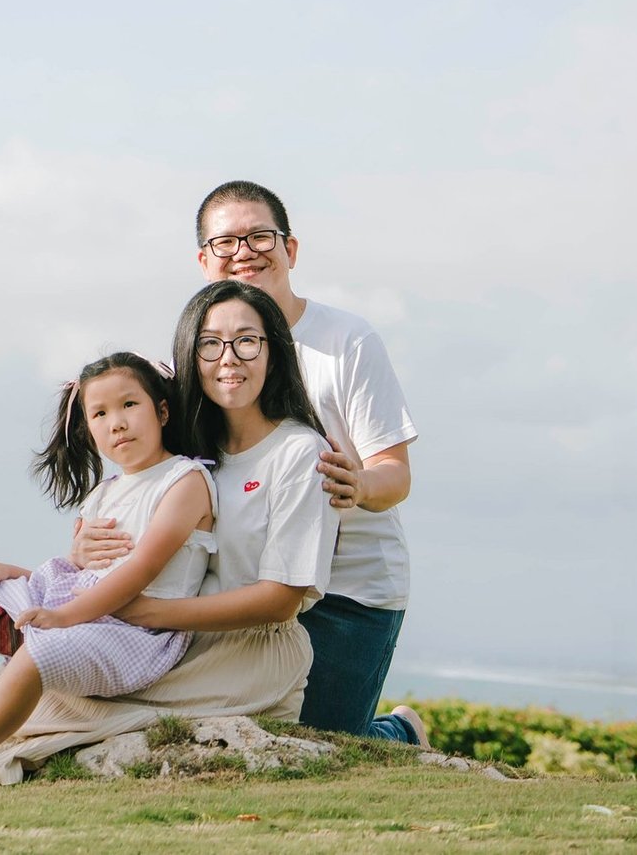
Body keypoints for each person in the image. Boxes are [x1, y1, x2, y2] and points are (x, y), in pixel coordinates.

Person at [0, 279, 343, 785]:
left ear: (273, 351)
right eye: (210, 344)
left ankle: (395, 729)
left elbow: (280, 600)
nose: (228, 358)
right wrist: (81, 555)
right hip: (173, 638)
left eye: (247, 341)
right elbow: (139, 539)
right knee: (9, 689)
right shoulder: (192, 450)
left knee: (39, 698)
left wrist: (144, 612)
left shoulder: (299, 453)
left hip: (242, 651)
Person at [78, 180, 425, 744]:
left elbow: (396, 474)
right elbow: (150, 472)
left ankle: (400, 733)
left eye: (260, 236)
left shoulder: (347, 341)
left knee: (322, 744)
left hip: (348, 589)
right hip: (238, 583)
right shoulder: (201, 362)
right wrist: (91, 542)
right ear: (203, 261)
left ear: (290, 249)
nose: (244, 252)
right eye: (225, 242)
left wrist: (358, 484)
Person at [0, 351, 218, 795]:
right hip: (74, 608)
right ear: (88, 427)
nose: (117, 423)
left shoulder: (185, 481)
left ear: (162, 411)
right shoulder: (105, 493)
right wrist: (16, 574)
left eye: (130, 405)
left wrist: (63, 618)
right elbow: (82, 574)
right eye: (100, 413)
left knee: (40, 651)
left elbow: (139, 570)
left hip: (132, 632)